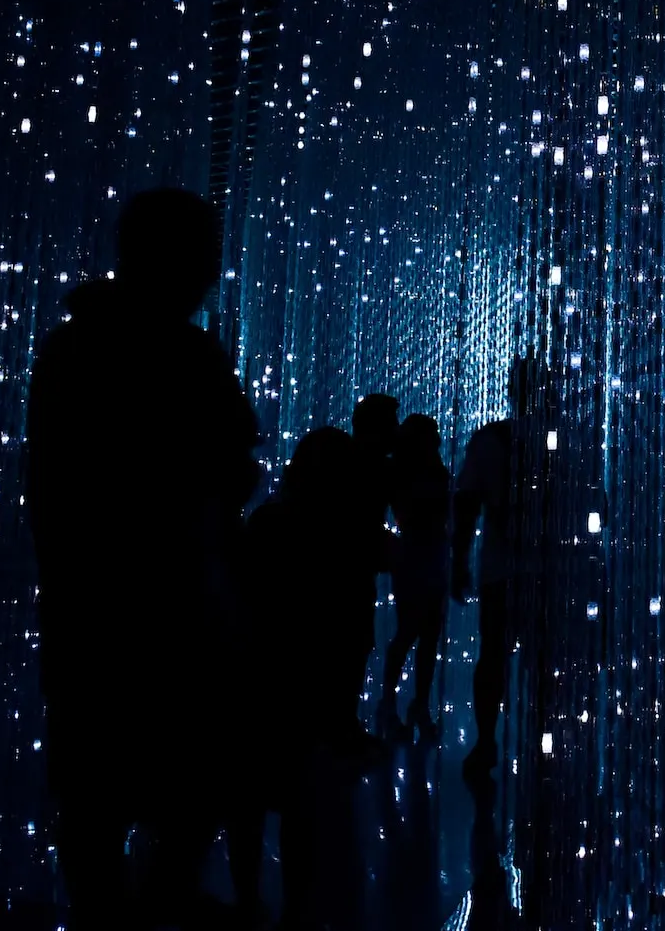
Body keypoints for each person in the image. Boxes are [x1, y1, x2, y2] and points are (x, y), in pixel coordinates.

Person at [26, 187, 259, 929]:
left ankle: (113, 908)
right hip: (171, 608)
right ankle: (151, 902)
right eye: (207, 259)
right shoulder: (187, 357)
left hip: (87, 604)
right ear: (181, 258)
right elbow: (229, 470)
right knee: (182, 782)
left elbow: (50, 486)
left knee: (96, 788)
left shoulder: (69, 347)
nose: (214, 276)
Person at [231, 426, 365, 925]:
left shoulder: (271, 523)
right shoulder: (339, 539)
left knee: (249, 797)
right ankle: (295, 909)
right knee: (297, 802)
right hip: (301, 681)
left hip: (259, 676)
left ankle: (251, 900)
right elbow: (341, 621)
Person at [452, 356, 555, 783]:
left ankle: (488, 741)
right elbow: (594, 509)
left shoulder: (490, 438)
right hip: (546, 571)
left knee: (493, 656)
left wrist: (458, 560)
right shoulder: (565, 438)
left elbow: (467, 504)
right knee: (542, 661)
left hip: (501, 570)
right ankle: (540, 742)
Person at [377, 413, 452, 740]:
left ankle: (413, 704)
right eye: (432, 433)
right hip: (417, 555)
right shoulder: (406, 471)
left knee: (426, 633)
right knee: (411, 630)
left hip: (428, 554)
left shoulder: (426, 469)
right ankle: (395, 704)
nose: (437, 438)